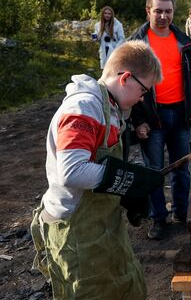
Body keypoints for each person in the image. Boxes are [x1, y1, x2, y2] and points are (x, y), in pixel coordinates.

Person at [30, 41, 163, 299]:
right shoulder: (84, 107)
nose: (143, 98)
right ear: (125, 78)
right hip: (76, 228)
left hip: (102, 222)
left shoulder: (111, 108)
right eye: (144, 90)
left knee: (127, 284)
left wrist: (127, 192)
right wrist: (129, 180)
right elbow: (72, 171)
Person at [128, 0, 191, 240]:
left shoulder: (183, 41)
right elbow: (126, 84)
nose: (163, 16)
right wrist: (137, 120)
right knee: (154, 171)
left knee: (181, 169)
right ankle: (159, 219)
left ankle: (181, 214)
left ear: (173, 12)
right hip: (151, 118)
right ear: (148, 11)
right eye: (158, 11)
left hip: (180, 115)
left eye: (168, 11)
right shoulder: (136, 44)